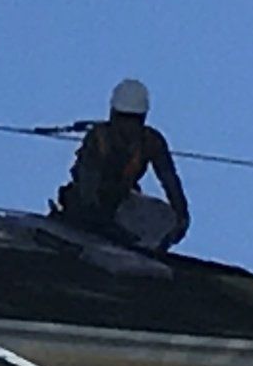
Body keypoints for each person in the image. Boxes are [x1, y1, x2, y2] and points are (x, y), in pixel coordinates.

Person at [52, 78, 190, 250]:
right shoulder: (100, 138)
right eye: (123, 119)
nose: (127, 126)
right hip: (90, 207)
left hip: (122, 203)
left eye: (133, 120)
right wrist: (102, 223)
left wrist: (180, 214)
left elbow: (169, 179)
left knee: (163, 217)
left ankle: (140, 244)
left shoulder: (150, 141)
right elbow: (88, 185)